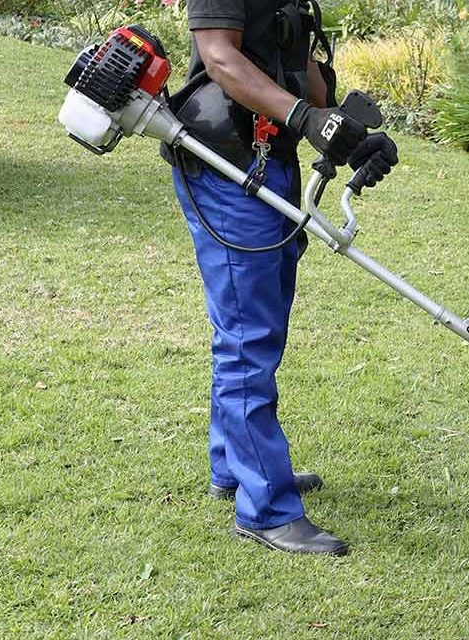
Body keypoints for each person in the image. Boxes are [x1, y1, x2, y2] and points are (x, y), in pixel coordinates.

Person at [164, 0, 399, 555]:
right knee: (248, 340)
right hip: (227, 165)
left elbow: (299, 59)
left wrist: (343, 125)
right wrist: (303, 117)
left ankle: (234, 467)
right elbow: (219, 57)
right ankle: (265, 508)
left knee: (256, 323)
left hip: (272, 162)